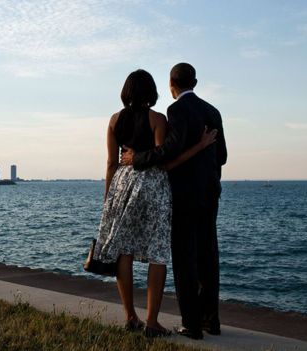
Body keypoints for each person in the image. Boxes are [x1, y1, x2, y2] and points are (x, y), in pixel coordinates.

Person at [92, 69, 217, 338]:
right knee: (157, 252)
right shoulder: (157, 119)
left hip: (121, 186)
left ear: (126, 91)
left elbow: (111, 163)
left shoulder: (114, 121)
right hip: (153, 187)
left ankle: (130, 317)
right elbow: (166, 162)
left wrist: (108, 199)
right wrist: (200, 145)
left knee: (123, 250)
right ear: (152, 92)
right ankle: (152, 321)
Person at [121, 63, 228, 340]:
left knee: (184, 258)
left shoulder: (177, 110)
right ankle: (211, 321)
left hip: (184, 194)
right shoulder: (213, 111)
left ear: (172, 84)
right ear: (196, 81)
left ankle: (192, 325)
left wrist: (137, 158)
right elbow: (223, 156)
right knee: (208, 256)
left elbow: (169, 151)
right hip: (210, 192)